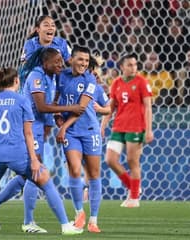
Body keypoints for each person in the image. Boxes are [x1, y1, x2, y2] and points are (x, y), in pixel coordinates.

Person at [0, 67, 82, 236]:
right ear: (16, 81)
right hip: (17, 154)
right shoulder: (22, 101)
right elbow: (28, 134)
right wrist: (34, 159)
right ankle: (66, 226)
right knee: (46, 181)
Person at [55, 46, 110, 233]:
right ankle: (79, 213)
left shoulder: (90, 80)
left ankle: (93, 220)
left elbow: (83, 108)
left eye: (86, 61)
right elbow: (56, 100)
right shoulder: (60, 76)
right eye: (81, 60)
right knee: (74, 169)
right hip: (71, 133)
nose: (84, 64)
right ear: (71, 59)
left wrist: (63, 126)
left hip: (89, 130)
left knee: (94, 174)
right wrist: (57, 115)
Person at [101, 53, 154, 208]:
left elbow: (148, 107)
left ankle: (134, 198)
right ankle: (133, 187)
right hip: (118, 126)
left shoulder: (142, 82)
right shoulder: (116, 83)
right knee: (110, 160)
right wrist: (102, 125)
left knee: (132, 161)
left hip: (136, 127)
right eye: (130, 65)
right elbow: (110, 108)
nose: (133, 68)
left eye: (135, 64)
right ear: (122, 67)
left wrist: (149, 130)